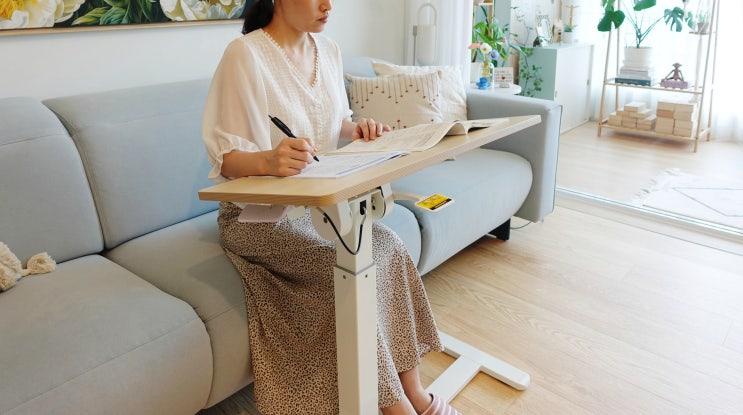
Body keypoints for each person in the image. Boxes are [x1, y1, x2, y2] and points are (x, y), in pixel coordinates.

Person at [201, 1, 461, 414]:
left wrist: (359, 129)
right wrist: (268, 160)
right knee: (346, 271)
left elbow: (334, 122)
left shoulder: (330, 50)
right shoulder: (245, 55)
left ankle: (416, 394)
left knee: (387, 245)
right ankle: (397, 408)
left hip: (321, 207)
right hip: (257, 216)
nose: (328, 5)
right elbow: (226, 159)